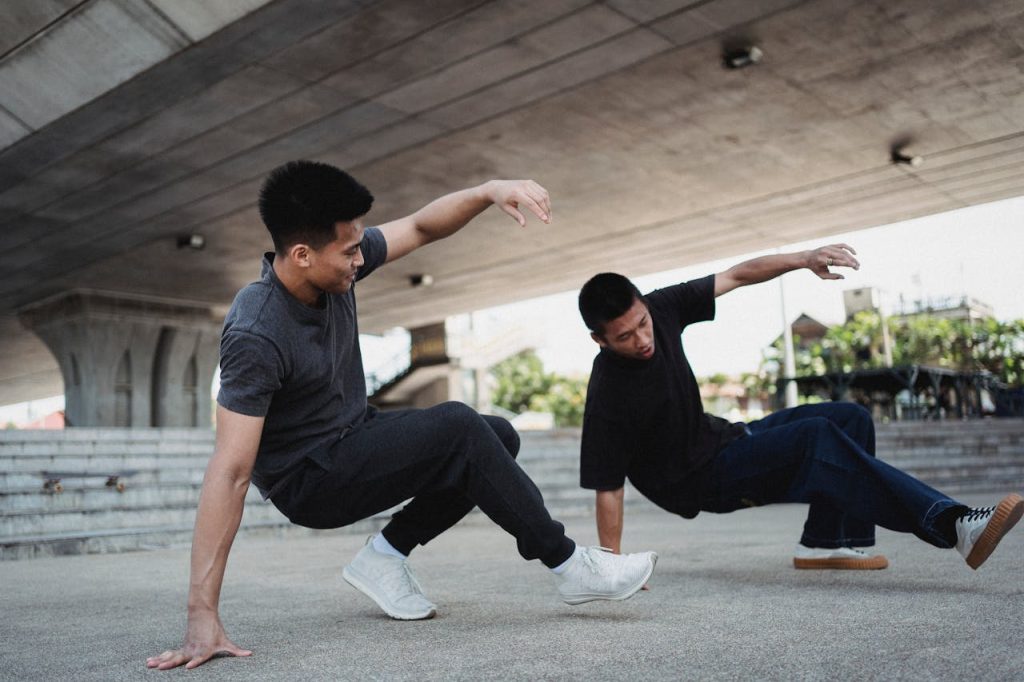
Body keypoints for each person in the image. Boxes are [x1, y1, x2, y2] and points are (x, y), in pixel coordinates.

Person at [147, 161, 656, 671]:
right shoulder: (256, 331)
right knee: (459, 424)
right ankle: (569, 565)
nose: (358, 261)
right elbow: (230, 470)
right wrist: (201, 614)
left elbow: (419, 226)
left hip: (355, 434)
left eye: (358, 247)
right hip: (310, 481)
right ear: (302, 255)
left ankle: (385, 556)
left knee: (494, 434)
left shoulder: (333, 266)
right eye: (349, 252)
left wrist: (487, 190)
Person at [576, 244, 1022, 573]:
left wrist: (804, 258)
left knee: (848, 417)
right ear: (600, 340)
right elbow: (608, 489)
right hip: (697, 482)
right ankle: (953, 524)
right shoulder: (608, 396)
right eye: (625, 337)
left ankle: (830, 541)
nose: (643, 339)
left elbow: (737, 274)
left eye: (642, 324)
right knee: (815, 437)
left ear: (643, 305)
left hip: (726, 439)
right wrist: (613, 570)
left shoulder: (661, 307)